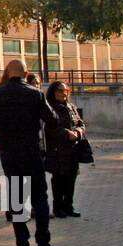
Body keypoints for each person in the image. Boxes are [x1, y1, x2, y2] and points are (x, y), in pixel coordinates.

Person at [0, 59, 63, 246]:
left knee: (17, 197)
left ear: (7, 72)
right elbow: (53, 120)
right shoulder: (35, 94)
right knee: (40, 197)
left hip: (9, 152)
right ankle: (43, 243)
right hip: (31, 151)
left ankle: (22, 245)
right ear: (25, 74)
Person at [44, 80, 86, 218]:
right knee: (59, 179)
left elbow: (81, 123)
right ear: (53, 92)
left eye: (65, 91)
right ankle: (58, 207)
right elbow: (50, 128)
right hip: (57, 150)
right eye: (60, 91)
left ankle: (69, 206)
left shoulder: (71, 107)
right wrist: (67, 133)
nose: (63, 93)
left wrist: (78, 132)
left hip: (73, 149)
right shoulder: (50, 108)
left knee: (71, 178)